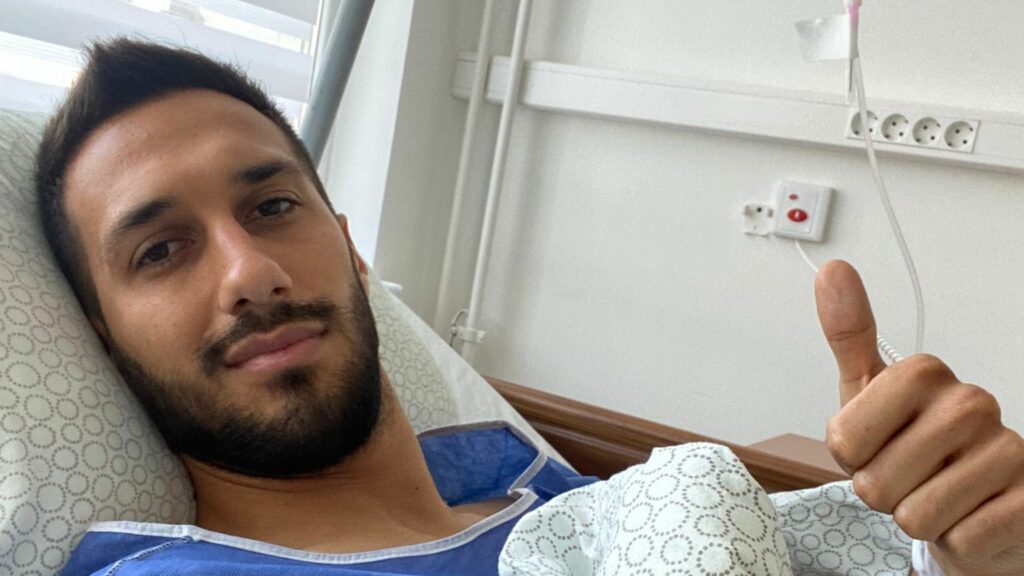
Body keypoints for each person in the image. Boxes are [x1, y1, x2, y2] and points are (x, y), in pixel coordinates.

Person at [33, 39, 1024, 576]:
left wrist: (973, 556)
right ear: (105, 343)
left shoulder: (548, 496)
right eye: (160, 251)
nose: (248, 270)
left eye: (272, 207)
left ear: (350, 249)